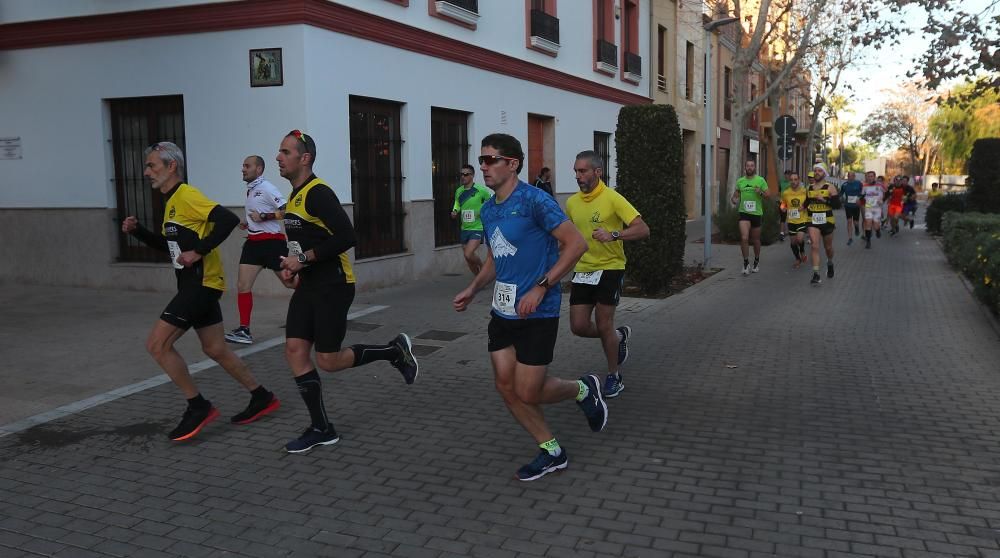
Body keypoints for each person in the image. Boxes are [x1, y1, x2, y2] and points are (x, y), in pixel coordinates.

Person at [453, 133, 607, 482]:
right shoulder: (489, 208)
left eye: (491, 160)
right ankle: (551, 450)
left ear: (513, 164)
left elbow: (575, 244)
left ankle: (583, 389)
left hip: (538, 312)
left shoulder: (536, 201)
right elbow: (497, 254)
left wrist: (541, 286)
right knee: (506, 387)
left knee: (528, 390)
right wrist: (474, 287)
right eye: (481, 160)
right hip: (503, 310)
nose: (483, 167)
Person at [121, 142, 279, 441]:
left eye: (152, 165)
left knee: (157, 345)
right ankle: (262, 396)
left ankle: (198, 406)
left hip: (201, 284)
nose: (146, 172)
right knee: (215, 348)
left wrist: (198, 251)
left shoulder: (187, 195)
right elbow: (170, 248)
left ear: (171, 167)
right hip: (197, 284)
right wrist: (138, 232)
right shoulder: (171, 202)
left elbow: (228, 220)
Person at [275, 130, 419, 453]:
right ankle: (321, 428)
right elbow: (305, 244)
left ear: (304, 158)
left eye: (285, 152)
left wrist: (304, 259)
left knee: (327, 361)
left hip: (334, 285)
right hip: (310, 285)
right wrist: (292, 269)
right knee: (295, 351)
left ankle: (394, 351)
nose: (278, 158)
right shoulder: (294, 198)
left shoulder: (318, 193)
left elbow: (346, 236)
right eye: (279, 152)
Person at [566, 150, 650, 399]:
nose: (578, 176)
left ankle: (614, 375)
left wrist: (614, 234)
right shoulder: (572, 203)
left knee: (603, 323)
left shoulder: (613, 199)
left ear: (597, 172)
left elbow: (643, 229)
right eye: (576, 172)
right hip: (583, 269)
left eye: (582, 171)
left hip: (611, 267)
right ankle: (618, 336)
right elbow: (569, 237)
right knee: (578, 326)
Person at [225, 156, 287, 345]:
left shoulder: (267, 188)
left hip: (272, 243)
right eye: (243, 165)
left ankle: (321, 306)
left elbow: (286, 210)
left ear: (259, 169)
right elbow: (256, 215)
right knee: (243, 286)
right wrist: (248, 222)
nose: (243, 169)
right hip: (253, 243)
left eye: (247, 166)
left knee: (291, 283)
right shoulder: (252, 190)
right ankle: (244, 330)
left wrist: (263, 216)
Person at [450, 164, 493, 275]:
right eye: (461, 174)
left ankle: (482, 268)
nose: (463, 177)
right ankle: (478, 278)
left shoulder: (481, 190)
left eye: (466, 174)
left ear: (472, 175)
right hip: (464, 228)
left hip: (477, 228)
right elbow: (457, 203)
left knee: (468, 254)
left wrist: (483, 212)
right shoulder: (459, 191)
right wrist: (455, 211)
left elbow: (490, 202)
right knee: (468, 258)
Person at [729, 159, 769, 275]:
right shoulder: (740, 181)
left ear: (754, 168)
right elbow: (735, 196)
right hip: (744, 213)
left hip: (756, 214)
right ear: (745, 168)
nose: (750, 167)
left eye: (752, 166)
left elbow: (768, 195)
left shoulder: (760, 180)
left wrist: (760, 192)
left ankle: (756, 260)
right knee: (744, 238)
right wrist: (734, 199)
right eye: (748, 166)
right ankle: (746, 263)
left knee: (755, 240)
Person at [805, 163, 841, 284]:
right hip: (813, 220)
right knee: (814, 246)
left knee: (828, 248)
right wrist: (800, 207)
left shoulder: (830, 187)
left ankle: (830, 262)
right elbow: (806, 202)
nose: (817, 173)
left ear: (824, 173)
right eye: (815, 171)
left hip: (827, 221)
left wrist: (824, 200)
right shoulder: (809, 188)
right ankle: (816, 274)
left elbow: (837, 205)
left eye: (819, 171)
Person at [780, 172, 809, 268]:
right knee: (793, 243)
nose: (793, 181)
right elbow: (783, 203)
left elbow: (809, 202)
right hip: (791, 220)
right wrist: (782, 207)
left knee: (799, 239)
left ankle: (802, 251)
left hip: (802, 219)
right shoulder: (786, 192)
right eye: (791, 179)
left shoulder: (804, 191)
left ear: (799, 180)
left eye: (795, 179)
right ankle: (798, 259)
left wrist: (805, 207)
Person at [860, 171, 883, 249]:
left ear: (874, 177)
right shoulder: (864, 186)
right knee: (868, 223)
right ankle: (868, 241)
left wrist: (881, 200)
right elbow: (862, 196)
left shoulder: (879, 185)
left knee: (876, 226)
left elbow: (883, 194)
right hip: (869, 207)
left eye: (871, 176)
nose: (870, 178)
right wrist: (859, 199)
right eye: (869, 176)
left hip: (877, 208)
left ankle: (878, 230)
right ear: (867, 177)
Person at [840, 171, 863, 246]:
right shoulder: (844, 185)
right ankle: (850, 238)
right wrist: (840, 199)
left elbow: (863, 192)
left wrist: (859, 198)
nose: (850, 177)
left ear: (854, 176)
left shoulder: (859, 183)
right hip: (848, 206)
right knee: (849, 221)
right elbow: (841, 193)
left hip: (856, 206)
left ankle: (857, 228)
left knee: (856, 222)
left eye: (852, 176)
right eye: (849, 176)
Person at [778, 169, 792, 241]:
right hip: (783, 202)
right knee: (783, 217)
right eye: (786, 175)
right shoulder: (781, 182)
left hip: (791, 202)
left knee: (791, 216)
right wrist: (779, 199)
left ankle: (791, 231)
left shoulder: (792, 183)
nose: (787, 176)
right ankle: (781, 233)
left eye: (789, 175)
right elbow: (779, 191)